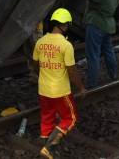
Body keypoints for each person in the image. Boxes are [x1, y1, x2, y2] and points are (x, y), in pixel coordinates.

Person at [33, 8, 86, 158]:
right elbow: (71, 71)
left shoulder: (40, 42)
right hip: (60, 90)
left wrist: (43, 76)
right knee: (70, 118)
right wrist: (81, 88)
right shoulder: (65, 45)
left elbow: (35, 64)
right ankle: (49, 148)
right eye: (67, 25)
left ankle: (43, 141)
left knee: (47, 115)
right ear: (63, 25)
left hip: (43, 88)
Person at [78, 0, 118, 88]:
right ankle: (114, 75)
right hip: (108, 26)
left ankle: (92, 83)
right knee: (108, 51)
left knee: (93, 54)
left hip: (96, 25)